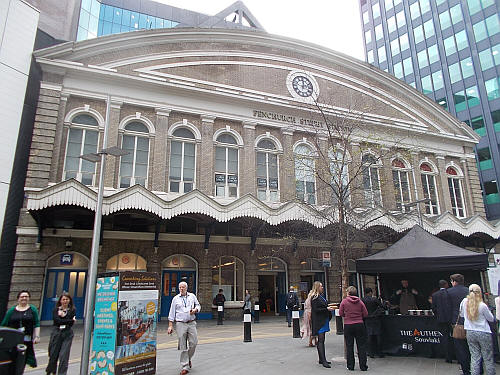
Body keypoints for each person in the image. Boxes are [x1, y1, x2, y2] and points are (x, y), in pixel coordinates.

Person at [460, 284, 495, 375]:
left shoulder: (464, 302)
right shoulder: (482, 305)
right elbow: (491, 319)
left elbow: (462, 315)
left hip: (470, 331)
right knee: (488, 357)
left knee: (475, 356)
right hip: (483, 331)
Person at [167, 281, 201, 375]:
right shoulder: (175, 299)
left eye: (183, 287)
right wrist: (170, 325)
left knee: (194, 343)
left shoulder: (192, 296)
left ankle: (188, 358)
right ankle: (185, 366)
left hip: (191, 323)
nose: (181, 289)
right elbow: (172, 312)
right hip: (180, 324)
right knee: (183, 346)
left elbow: (198, 305)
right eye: (180, 287)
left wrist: (195, 310)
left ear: (186, 288)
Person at [1, 290, 40, 369]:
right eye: (22, 296)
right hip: (13, 340)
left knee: (23, 359)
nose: (24, 298)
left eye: (26, 296)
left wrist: (37, 336)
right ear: (18, 299)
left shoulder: (32, 309)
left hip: (26, 339)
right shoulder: (11, 311)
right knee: (13, 360)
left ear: (29, 298)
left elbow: (37, 324)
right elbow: (4, 324)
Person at [46, 292, 76, 375]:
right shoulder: (56, 310)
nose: (65, 301)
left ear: (69, 300)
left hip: (67, 333)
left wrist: (66, 320)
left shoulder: (72, 310)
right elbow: (57, 321)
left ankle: (62, 373)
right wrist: (69, 320)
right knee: (53, 354)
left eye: (67, 299)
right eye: (63, 299)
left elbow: (71, 324)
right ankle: (51, 371)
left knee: (64, 356)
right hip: (57, 332)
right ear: (60, 301)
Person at [340, 286, 369, 371]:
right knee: (361, 346)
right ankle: (363, 366)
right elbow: (366, 313)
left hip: (348, 325)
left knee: (349, 345)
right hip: (359, 324)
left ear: (348, 293)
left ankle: (350, 366)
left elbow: (341, 313)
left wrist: (347, 316)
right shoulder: (360, 302)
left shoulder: (344, 302)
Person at [448, 273, 471, 375]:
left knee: (460, 347)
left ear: (454, 281)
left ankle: (465, 369)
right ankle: (475, 367)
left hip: (456, 323)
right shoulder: (469, 291)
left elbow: (448, 308)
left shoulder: (449, 292)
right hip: (470, 321)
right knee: (472, 346)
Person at [310, 281, 335, 368]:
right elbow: (316, 310)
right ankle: (323, 360)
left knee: (322, 340)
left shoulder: (320, 296)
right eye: (321, 286)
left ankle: (322, 359)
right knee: (321, 340)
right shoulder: (314, 297)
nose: (322, 288)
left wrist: (328, 307)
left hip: (323, 320)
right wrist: (327, 309)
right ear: (317, 287)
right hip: (319, 322)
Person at [431, 280, 453, 363]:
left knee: (445, 337)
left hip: (441, 319)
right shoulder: (450, 293)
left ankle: (448, 357)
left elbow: (433, 308)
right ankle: (457, 356)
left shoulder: (434, 295)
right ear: (446, 284)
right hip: (451, 319)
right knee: (455, 337)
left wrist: (438, 315)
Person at [362, 287, 385, 358]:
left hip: (367, 319)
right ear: (371, 292)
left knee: (369, 336)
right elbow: (383, 307)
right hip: (375, 319)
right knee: (378, 335)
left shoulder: (362, 300)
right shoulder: (375, 299)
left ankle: (370, 353)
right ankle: (380, 353)